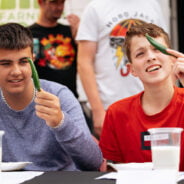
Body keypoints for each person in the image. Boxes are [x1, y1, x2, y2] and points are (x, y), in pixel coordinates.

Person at [0, 22, 103, 171]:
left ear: (33, 59)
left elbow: (93, 162)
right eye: (5, 64)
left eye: (23, 62)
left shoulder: (60, 95)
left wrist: (61, 123)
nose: (16, 71)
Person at [76, 0, 169, 137]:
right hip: (111, 106)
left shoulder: (152, 5)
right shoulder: (95, 7)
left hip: (153, 105)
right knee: (116, 157)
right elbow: (84, 62)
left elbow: (165, 52)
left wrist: (168, 101)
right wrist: (98, 111)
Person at [99, 22, 184, 171]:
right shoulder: (116, 113)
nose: (150, 57)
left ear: (172, 59)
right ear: (132, 70)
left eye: (157, 49)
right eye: (140, 54)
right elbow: (110, 170)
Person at [29, 0, 80, 98]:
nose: (59, 7)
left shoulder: (71, 31)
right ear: (41, 2)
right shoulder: (28, 34)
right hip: (40, 101)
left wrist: (80, 37)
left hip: (70, 99)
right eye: (54, 2)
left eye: (62, 2)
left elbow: (87, 63)